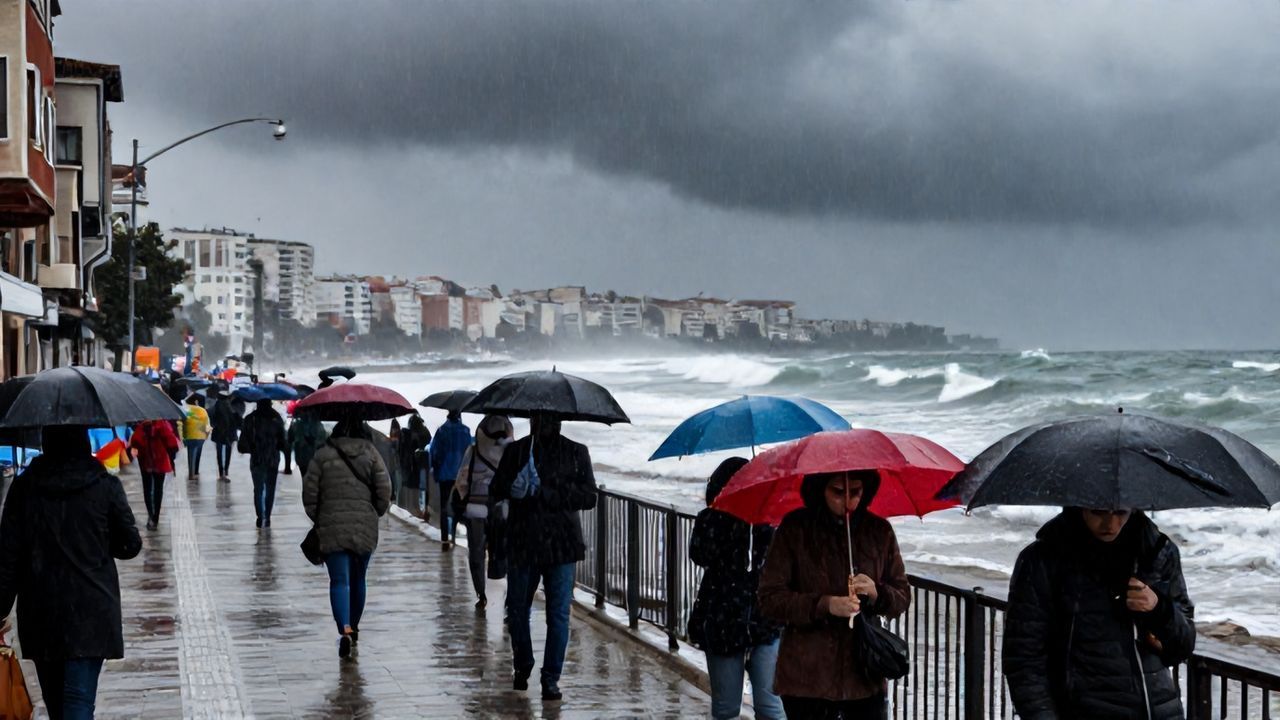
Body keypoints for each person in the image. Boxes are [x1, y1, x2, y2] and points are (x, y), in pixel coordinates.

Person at [0, 426, 142, 720]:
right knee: (78, 701)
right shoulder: (104, 484)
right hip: (92, 608)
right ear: (83, 442)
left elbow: (7, 556)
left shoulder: (24, 487)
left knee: (56, 704)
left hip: (41, 610)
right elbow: (130, 545)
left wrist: (0, 607)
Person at [1003, 508, 1195, 719]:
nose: (1110, 524)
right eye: (1098, 512)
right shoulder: (1043, 561)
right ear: (1080, 506)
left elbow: (1182, 647)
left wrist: (1159, 609)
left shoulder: (1158, 553)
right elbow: (1024, 659)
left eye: (1120, 512)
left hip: (1157, 712)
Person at [757, 470, 910, 720]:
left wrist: (876, 593)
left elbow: (902, 596)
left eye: (856, 492)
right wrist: (824, 605)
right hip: (806, 680)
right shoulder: (795, 529)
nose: (848, 500)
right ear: (821, 489)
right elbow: (770, 599)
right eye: (838, 492)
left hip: (864, 676)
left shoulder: (879, 531)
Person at [490, 414, 597, 702]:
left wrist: (546, 493)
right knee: (521, 609)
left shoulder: (575, 452)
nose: (545, 425)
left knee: (551, 613)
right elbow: (496, 489)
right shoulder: (518, 452)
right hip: (529, 543)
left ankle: (548, 677)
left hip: (556, 545)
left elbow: (589, 496)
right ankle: (527, 665)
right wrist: (516, 485)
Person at [689, 457, 784, 720]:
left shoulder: (769, 521)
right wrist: (729, 523)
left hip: (763, 621)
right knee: (727, 707)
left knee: (770, 705)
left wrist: (760, 526)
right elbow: (700, 554)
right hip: (724, 620)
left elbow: (780, 564)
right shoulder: (710, 519)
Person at [302, 418, 392, 659]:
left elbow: (309, 494)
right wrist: (375, 512)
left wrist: (319, 516)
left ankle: (344, 629)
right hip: (364, 525)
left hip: (332, 525)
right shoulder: (371, 453)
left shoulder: (323, 455)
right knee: (359, 578)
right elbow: (385, 491)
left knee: (339, 580)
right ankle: (355, 625)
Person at [454, 414, 513, 611]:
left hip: (476, 508)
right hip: (502, 508)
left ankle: (481, 594)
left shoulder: (473, 450)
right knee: (503, 550)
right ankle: (506, 592)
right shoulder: (511, 452)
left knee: (477, 553)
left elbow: (462, 479)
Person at [237, 399, 287, 528]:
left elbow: (243, 441)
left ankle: (260, 516)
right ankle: (268, 517)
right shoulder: (277, 418)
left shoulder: (250, 419)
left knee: (258, 489)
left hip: (257, 459)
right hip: (273, 459)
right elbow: (283, 441)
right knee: (270, 489)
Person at [429, 411, 472, 549]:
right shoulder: (466, 431)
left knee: (444, 507)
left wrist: (436, 470)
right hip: (462, 475)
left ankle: (444, 540)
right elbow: (470, 452)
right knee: (460, 506)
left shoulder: (442, 431)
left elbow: (434, 452)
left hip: (445, 474)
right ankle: (455, 536)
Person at [129, 419, 181, 531]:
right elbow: (172, 443)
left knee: (147, 488)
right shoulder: (162, 425)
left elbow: (135, 442)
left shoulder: (141, 427)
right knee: (158, 489)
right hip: (160, 460)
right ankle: (155, 517)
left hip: (145, 461)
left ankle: (150, 515)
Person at [398, 413, 432, 513]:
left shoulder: (406, 433)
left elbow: (401, 450)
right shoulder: (425, 432)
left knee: (410, 485)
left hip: (409, 465)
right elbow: (428, 446)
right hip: (422, 465)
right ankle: (420, 508)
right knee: (420, 486)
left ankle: (410, 508)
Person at [209, 391, 241, 481]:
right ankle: (226, 471)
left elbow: (212, 419)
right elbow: (238, 421)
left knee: (219, 454)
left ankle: (221, 473)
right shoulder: (232, 407)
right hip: (230, 434)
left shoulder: (216, 406)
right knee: (228, 452)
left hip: (219, 433)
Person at [288, 409, 328, 477]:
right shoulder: (298, 424)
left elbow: (322, 442)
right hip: (305, 458)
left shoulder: (316, 425)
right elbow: (290, 438)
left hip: (311, 457)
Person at [180, 394, 211, 480]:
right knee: (198, 451)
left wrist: (181, 436)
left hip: (189, 436)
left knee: (191, 454)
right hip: (201, 436)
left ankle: (191, 473)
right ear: (196, 401)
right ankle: (195, 470)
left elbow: (181, 422)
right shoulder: (202, 411)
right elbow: (207, 423)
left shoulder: (185, 410)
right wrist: (207, 434)